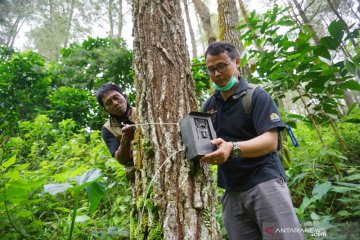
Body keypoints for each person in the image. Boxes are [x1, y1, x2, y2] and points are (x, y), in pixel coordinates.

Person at [201, 42, 303, 240]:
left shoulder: (256, 95)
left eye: (222, 66)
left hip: (265, 182)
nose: (216, 74)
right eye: (211, 69)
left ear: (236, 62)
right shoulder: (209, 105)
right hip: (231, 191)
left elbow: (270, 141)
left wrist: (232, 148)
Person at [96, 83, 136, 181]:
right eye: (109, 103)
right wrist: (125, 140)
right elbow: (121, 160)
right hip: (137, 175)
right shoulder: (107, 129)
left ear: (125, 96)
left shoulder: (143, 111)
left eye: (116, 97)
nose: (115, 103)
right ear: (106, 110)